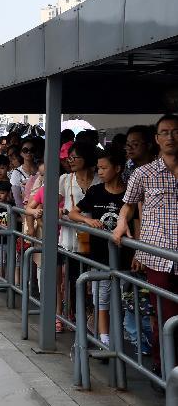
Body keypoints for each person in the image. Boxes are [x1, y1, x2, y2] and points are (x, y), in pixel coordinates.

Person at [113, 114, 178, 377]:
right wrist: (120, 225)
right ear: (157, 139)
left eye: (175, 131)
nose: (170, 137)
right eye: (164, 132)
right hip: (158, 256)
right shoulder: (144, 173)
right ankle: (165, 368)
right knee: (166, 316)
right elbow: (128, 205)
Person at [69, 148, 128, 348]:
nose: (100, 172)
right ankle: (105, 340)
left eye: (104, 168)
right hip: (99, 254)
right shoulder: (95, 192)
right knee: (101, 298)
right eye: (98, 168)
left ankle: (118, 337)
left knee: (121, 298)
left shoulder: (128, 193)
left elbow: (135, 222)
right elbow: (73, 213)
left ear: (118, 168)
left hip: (123, 256)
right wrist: (88, 220)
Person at [57, 141, 102, 332]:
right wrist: (60, 211)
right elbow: (55, 202)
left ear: (87, 159)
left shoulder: (100, 179)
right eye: (69, 157)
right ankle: (78, 318)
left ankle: (94, 322)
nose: (71, 160)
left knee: (95, 284)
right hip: (70, 238)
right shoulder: (65, 179)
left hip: (97, 237)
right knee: (75, 280)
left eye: (75, 157)